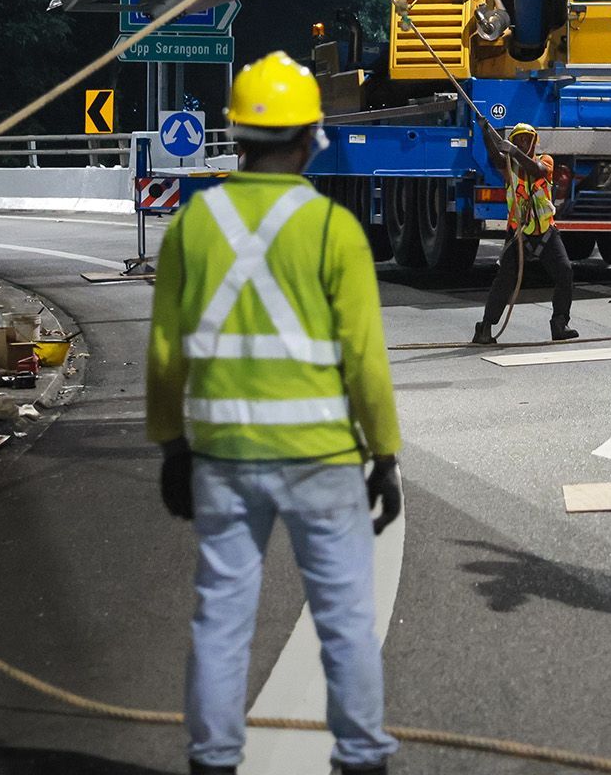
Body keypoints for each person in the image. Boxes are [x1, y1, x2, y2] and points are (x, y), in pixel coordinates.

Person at [147, 51, 403, 775]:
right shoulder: (333, 229)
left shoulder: (193, 225)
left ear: (237, 136)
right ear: (310, 136)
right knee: (345, 620)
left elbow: (166, 351)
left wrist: (172, 446)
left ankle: (214, 761)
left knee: (222, 616)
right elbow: (365, 359)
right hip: (322, 458)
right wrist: (383, 455)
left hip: (224, 456)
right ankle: (360, 759)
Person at [471, 122, 578, 345]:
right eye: (518, 139)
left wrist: (514, 151)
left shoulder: (545, 161)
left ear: (534, 141)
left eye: (526, 139)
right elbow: (496, 158)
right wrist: (485, 133)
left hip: (545, 232)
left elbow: (537, 170)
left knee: (564, 272)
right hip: (518, 234)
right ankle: (485, 328)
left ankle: (560, 323)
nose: (522, 142)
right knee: (504, 281)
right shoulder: (509, 166)